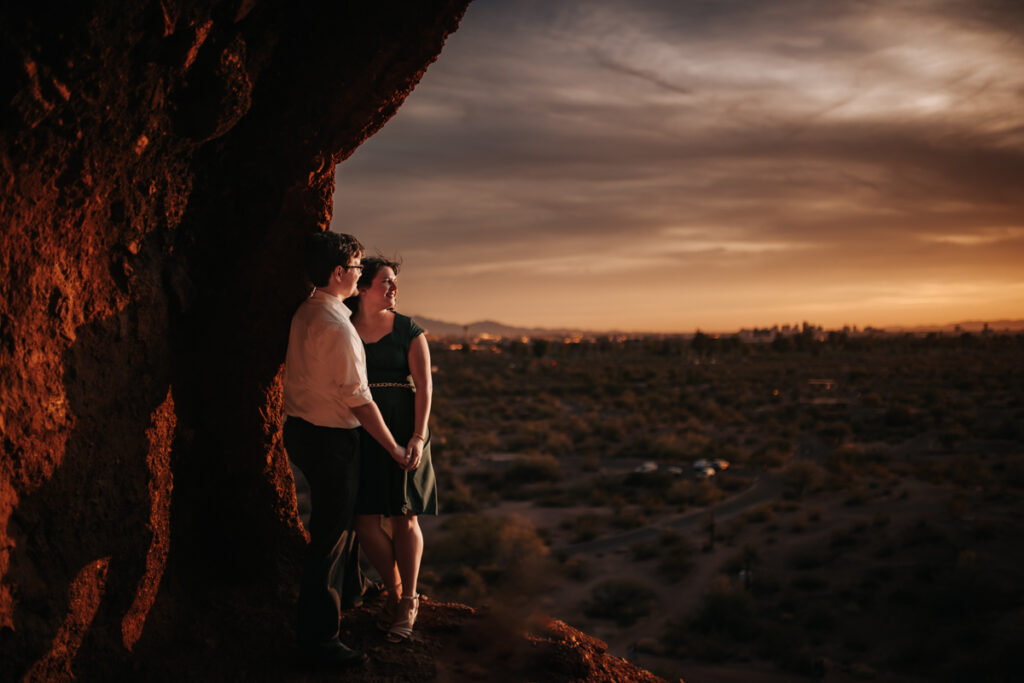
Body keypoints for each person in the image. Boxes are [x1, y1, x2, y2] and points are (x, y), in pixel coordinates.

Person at [282, 233, 415, 667]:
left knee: (342, 520)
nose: (360, 275)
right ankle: (320, 642)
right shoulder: (338, 327)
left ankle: (353, 590)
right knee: (330, 537)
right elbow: (359, 398)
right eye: (357, 268)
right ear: (339, 273)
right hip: (330, 438)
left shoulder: (308, 311)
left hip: (303, 429)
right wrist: (394, 446)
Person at [347, 256, 438, 643]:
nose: (394, 288)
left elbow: (425, 388)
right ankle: (395, 590)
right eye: (386, 281)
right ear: (363, 286)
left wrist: (417, 438)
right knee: (365, 520)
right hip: (360, 429)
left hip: (405, 428)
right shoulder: (344, 326)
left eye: (395, 281)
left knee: (404, 517)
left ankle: (409, 602)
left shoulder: (409, 330)